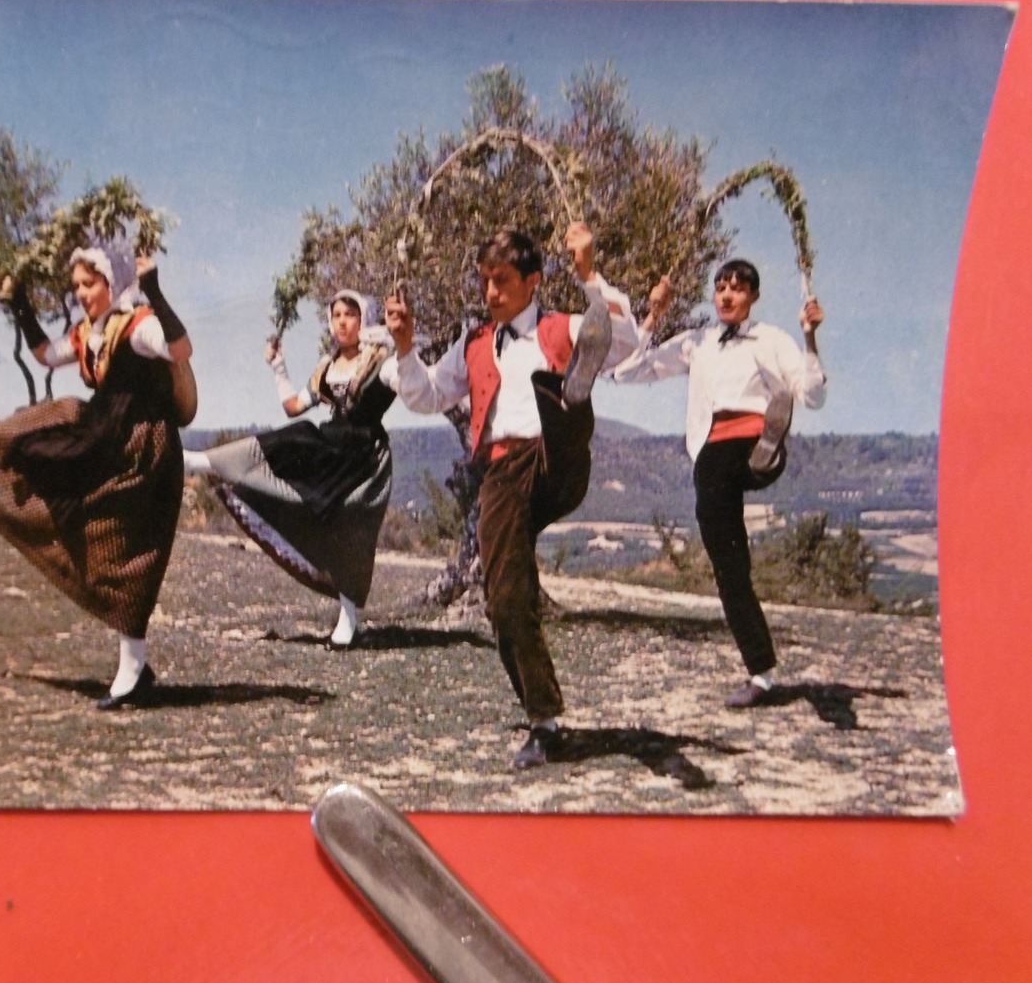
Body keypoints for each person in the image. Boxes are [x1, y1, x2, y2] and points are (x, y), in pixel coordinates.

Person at [387, 221, 652, 770]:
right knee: (505, 597)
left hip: (556, 457)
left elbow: (626, 341)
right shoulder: (476, 342)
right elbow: (429, 396)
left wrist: (589, 275)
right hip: (505, 471)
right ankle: (545, 721)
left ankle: (570, 395)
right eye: (484, 281)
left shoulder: (560, 326)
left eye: (502, 281)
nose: (490, 293)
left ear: (533, 281)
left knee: (563, 403)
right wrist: (407, 349)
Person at [0, 245, 197, 710]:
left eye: (88, 285)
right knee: (37, 423)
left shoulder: (138, 326)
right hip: (102, 434)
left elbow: (180, 349)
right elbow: (45, 356)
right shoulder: (93, 331)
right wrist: (20, 303)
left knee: (124, 546)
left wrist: (153, 288)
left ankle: (133, 669)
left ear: (112, 283)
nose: (80, 294)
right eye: (76, 286)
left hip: (141, 448)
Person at [608, 260, 826, 707]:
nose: (727, 296)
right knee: (730, 570)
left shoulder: (772, 339)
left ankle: (767, 447)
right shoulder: (699, 342)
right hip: (712, 448)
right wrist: (654, 315)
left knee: (744, 462)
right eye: (721, 288)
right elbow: (628, 372)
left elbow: (813, 394)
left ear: (754, 297)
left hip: (750, 434)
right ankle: (762, 674)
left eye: (738, 288)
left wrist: (809, 336)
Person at [182, 291, 399, 648]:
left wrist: (401, 344)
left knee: (350, 529)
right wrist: (278, 367)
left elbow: (408, 381)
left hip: (363, 458)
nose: (342, 322)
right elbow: (293, 406)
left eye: (350, 314)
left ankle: (348, 619)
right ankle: (202, 461)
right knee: (290, 439)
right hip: (330, 448)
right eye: (336, 315)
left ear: (364, 320)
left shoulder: (382, 361)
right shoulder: (327, 367)